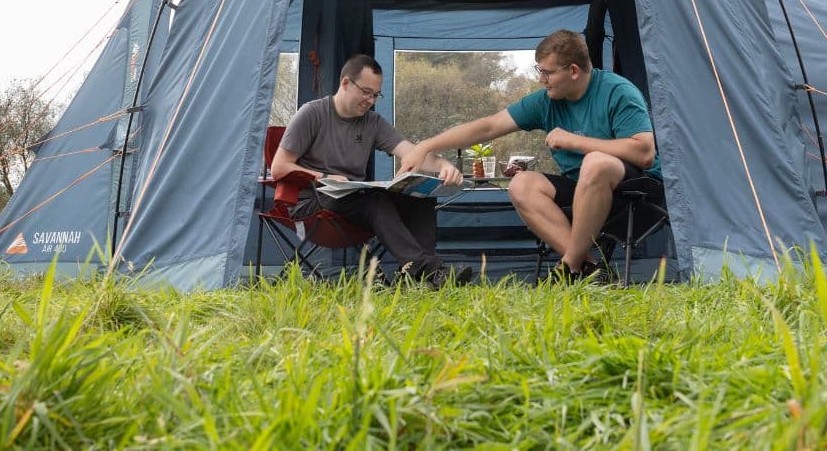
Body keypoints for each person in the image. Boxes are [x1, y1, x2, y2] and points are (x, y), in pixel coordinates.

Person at [401, 30, 661, 281]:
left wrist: (575, 141)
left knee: (595, 161)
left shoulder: (617, 91)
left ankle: (570, 265)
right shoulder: (546, 101)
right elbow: (488, 126)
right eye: (540, 71)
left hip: (634, 191)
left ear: (573, 71)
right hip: (581, 187)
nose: (541, 79)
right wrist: (425, 146)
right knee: (522, 184)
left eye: (547, 72)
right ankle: (590, 268)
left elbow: (645, 152)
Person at [271, 54, 470, 287]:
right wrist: (325, 177)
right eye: (366, 92)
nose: (371, 100)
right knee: (374, 200)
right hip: (312, 201)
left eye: (375, 95)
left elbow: (411, 152)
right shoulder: (312, 114)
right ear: (345, 83)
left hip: (355, 200)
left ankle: (416, 280)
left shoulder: (372, 123)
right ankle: (429, 273)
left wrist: (444, 165)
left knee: (419, 199)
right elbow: (279, 168)